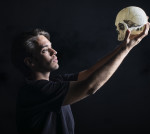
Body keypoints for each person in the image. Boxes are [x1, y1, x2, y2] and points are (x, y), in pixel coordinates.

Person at [11, 23, 149, 134]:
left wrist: (125, 46)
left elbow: (90, 72)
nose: (54, 52)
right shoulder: (33, 91)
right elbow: (90, 87)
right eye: (45, 50)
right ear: (30, 62)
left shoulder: (56, 82)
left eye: (51, 47)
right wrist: (126, 49)